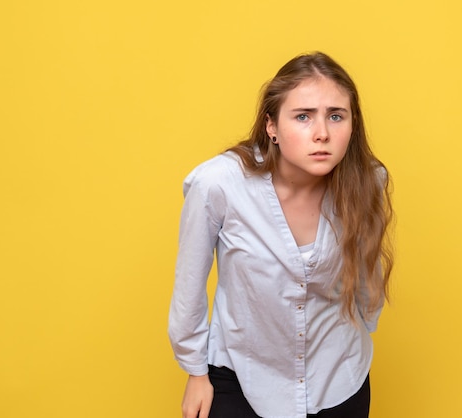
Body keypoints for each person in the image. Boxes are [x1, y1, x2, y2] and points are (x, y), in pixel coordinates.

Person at [168, 51, 393, 418]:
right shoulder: (218, 186)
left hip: (338, 377)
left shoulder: (367, 180)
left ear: (353, 125)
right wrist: (195, 371)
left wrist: (369, 319)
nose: (322, 133)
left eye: (336, 116)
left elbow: (367, 273)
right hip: (242, 379)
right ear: (271, 126)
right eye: (303, 116)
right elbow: (188, 286)